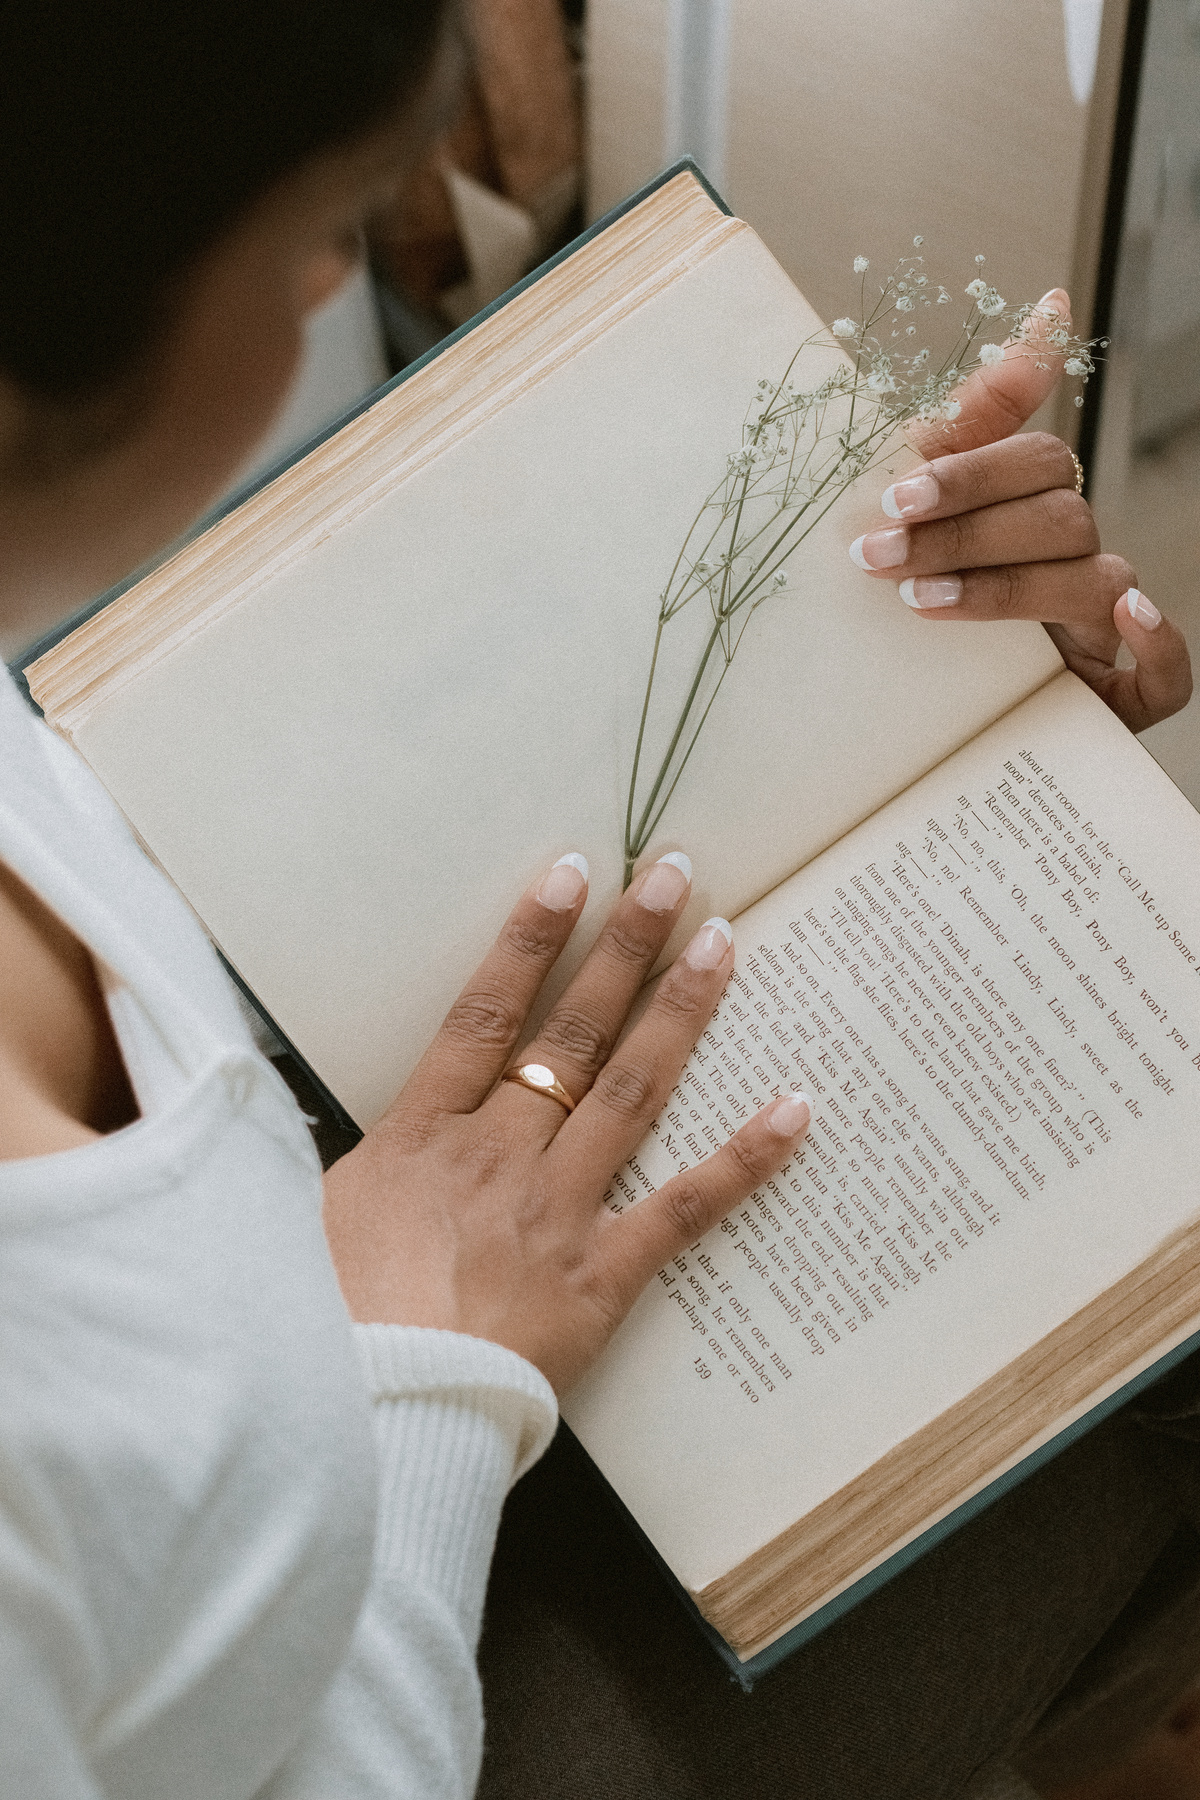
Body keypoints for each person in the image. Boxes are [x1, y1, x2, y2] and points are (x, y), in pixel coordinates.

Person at [0, 6, 1194, 1798]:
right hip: (379, 1633)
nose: (339, 287)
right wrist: (415, 1375)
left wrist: (937, 714)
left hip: (339, 1347)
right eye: (321, 229)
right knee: (1148, 1442)